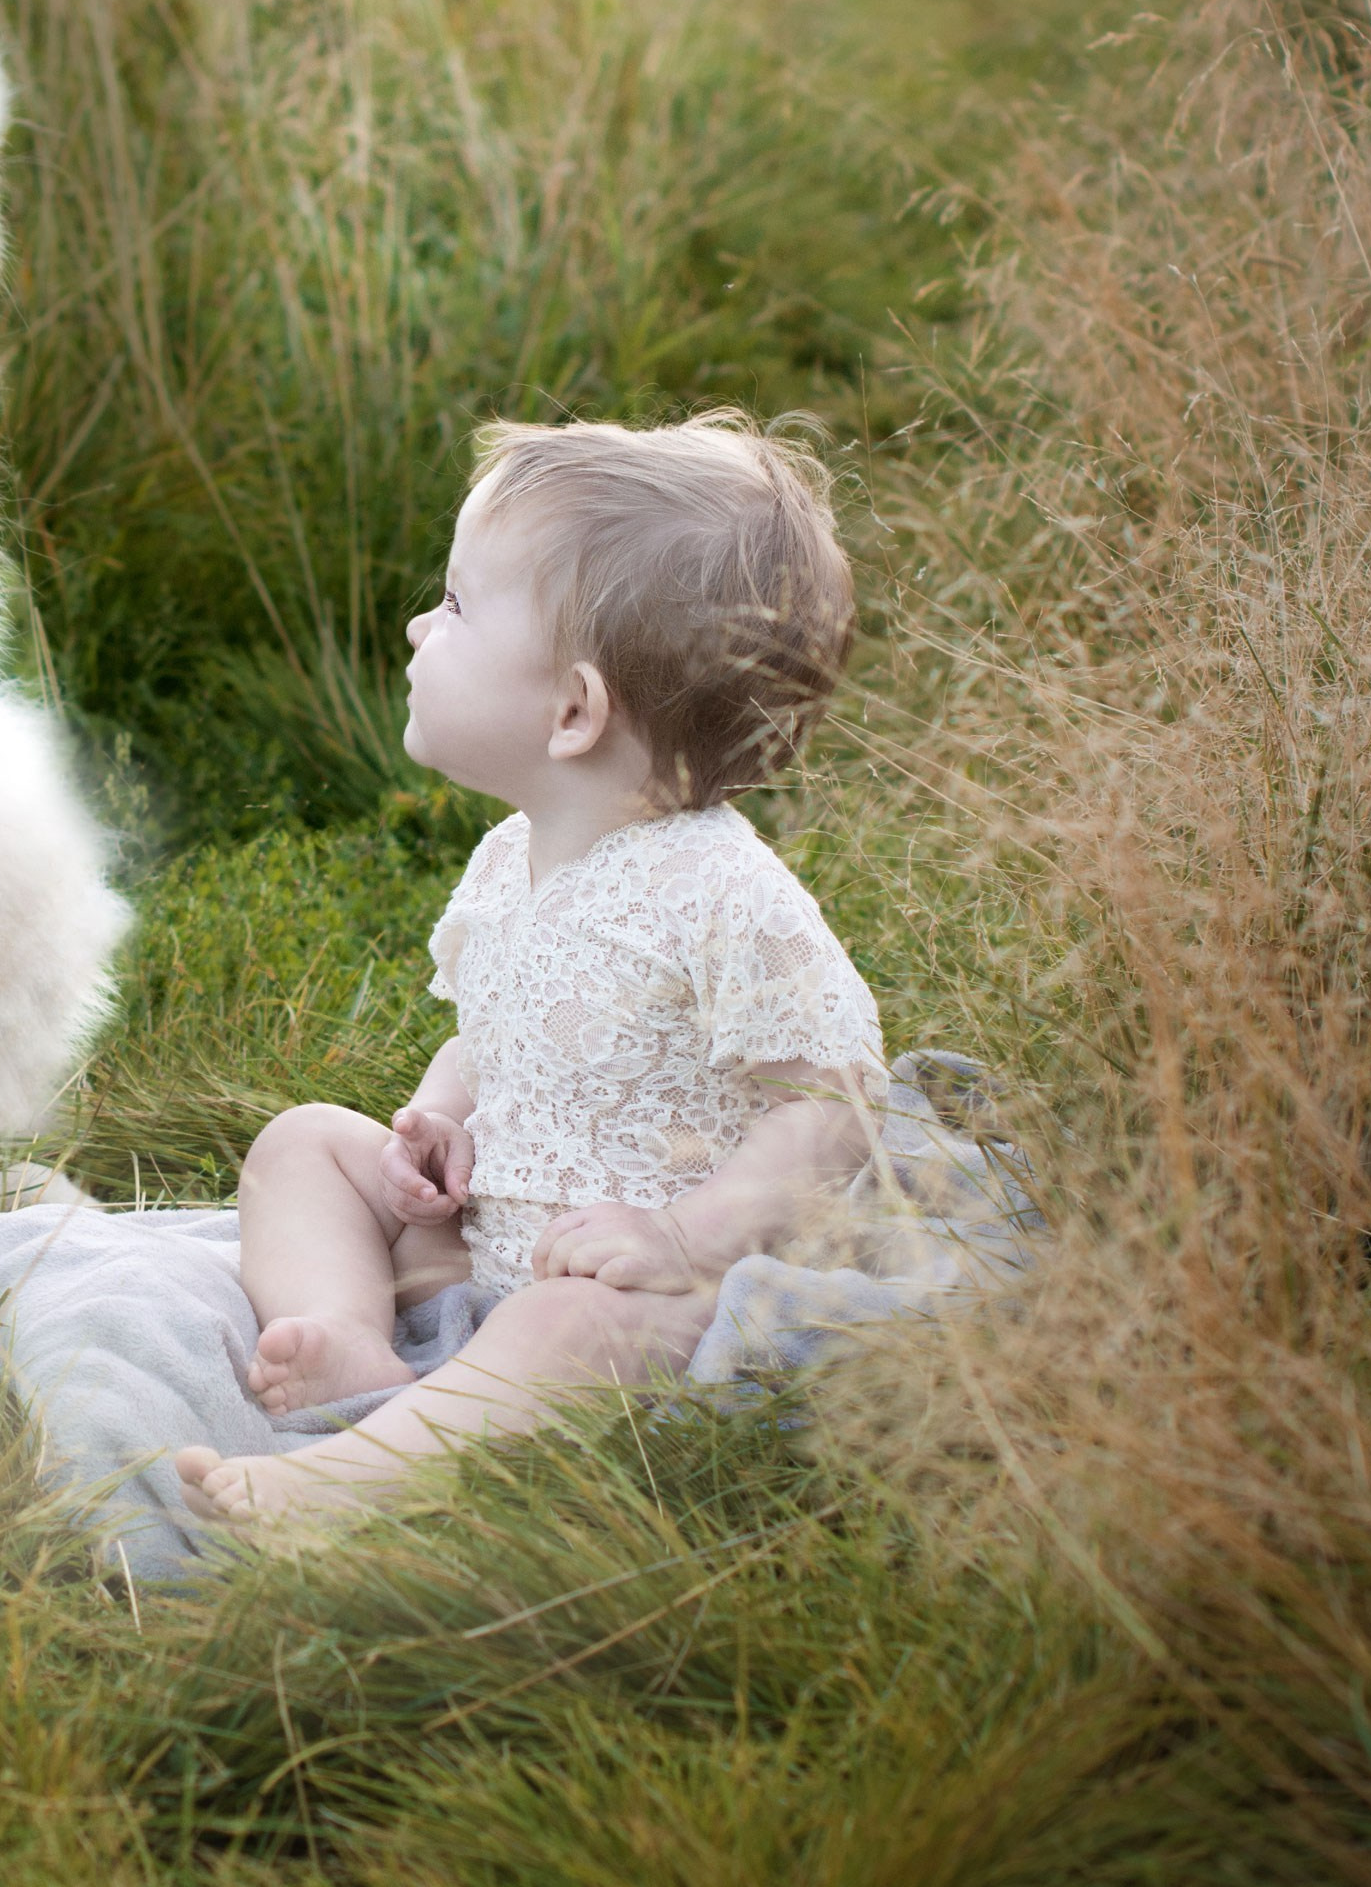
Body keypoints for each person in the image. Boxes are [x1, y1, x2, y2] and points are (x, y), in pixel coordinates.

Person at [174, 413, 888, 1534]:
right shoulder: (512, 857)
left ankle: (344, 1488)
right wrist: (437, 1117)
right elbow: (494, 1025)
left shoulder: (720, 896)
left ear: (573, 711)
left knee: (563, 1333)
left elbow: (832, 1102)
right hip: (488, 1234)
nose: (419, 625)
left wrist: (685, 1238)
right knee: (304, 1143)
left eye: (455, 607)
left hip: (637, 1295)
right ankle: (361, 1347)